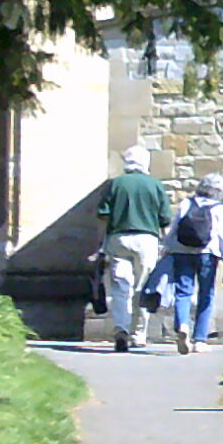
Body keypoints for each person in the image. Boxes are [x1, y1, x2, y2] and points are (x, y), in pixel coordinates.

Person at [147, 172, 223, 355]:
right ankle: (200, 340)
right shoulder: (220, 209)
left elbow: (175, 228)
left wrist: (166, 248)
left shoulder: (186, 203)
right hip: (208, 254)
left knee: (183, 292)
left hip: (182, 252)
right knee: (206, 295)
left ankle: (182, 325)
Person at [94, 145, 171, 352]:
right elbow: (165, 220)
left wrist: (101, 244)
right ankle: (139, 334)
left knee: (120, 287)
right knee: (143, 287)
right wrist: (167, 246)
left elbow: (104, 215)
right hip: (147, 239)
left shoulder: (115, 184)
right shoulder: (155, 185)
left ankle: (121, 329)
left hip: (118, 238)